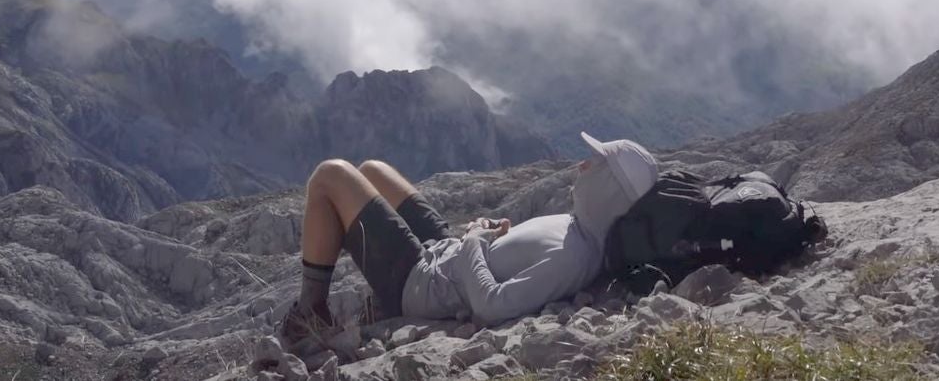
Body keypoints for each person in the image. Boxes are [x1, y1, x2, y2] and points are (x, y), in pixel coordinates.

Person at [280, 132, 658, 352]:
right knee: (372, 171)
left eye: (596, 162)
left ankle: (309, 315)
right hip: (446, 256)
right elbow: (510, 258)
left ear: (611, 188)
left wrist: (474, 242)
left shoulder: (575, 256)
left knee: (330, 175)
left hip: (423, 285)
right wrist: (490, 232)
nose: (583, 165)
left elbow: (492, 307)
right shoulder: (580, 227)